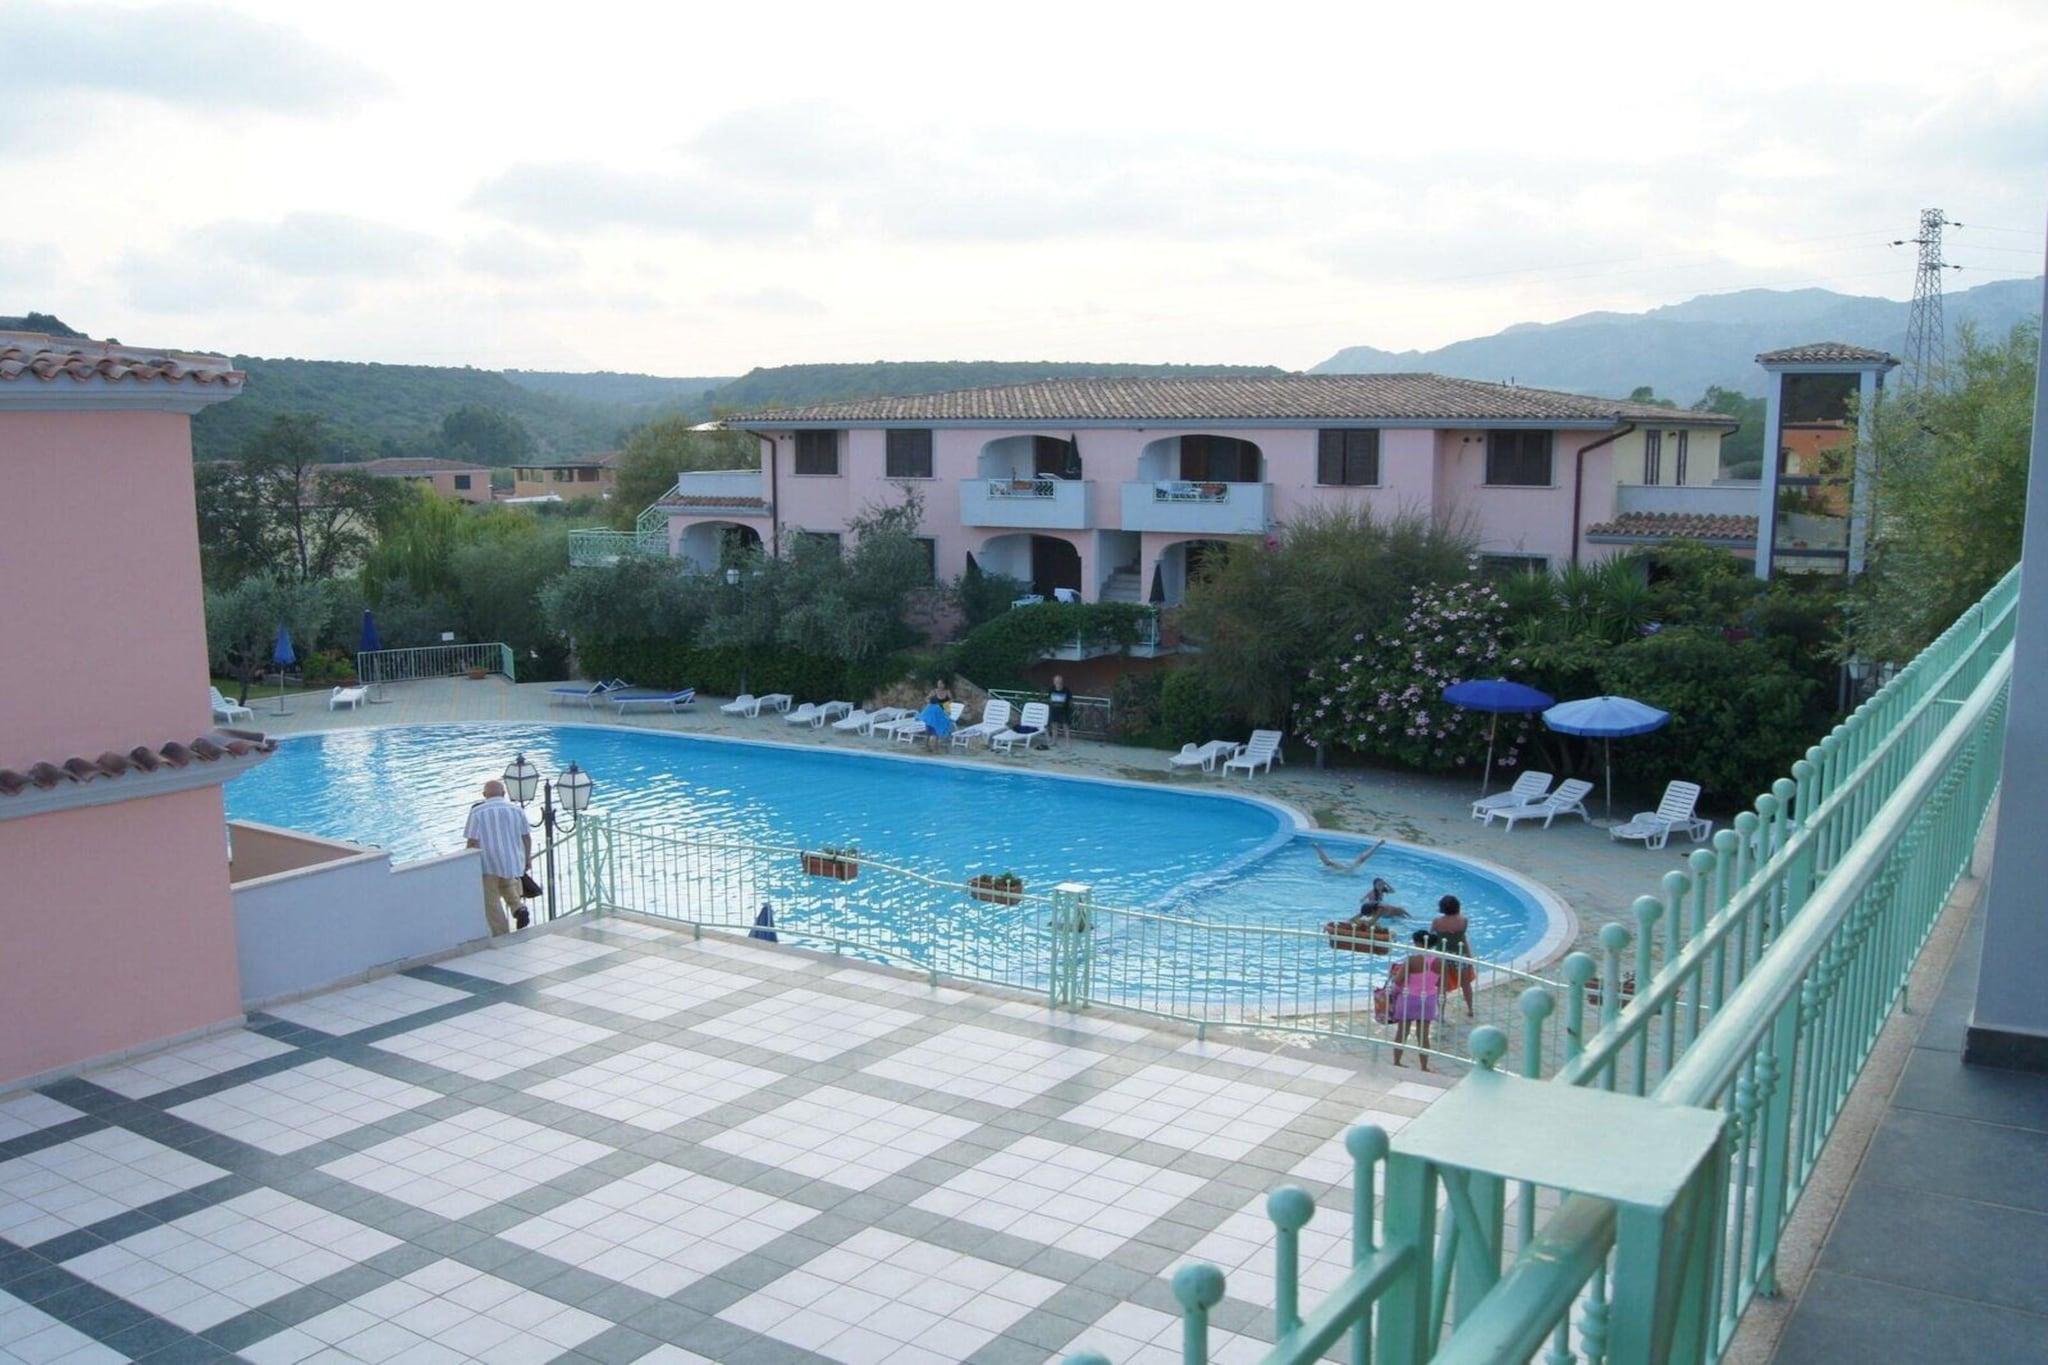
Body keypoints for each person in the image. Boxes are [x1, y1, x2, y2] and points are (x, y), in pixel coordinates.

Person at [464, 779, 531, 935]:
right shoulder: (517, 810)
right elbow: (526, 837)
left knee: (491, 901)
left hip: (487, 863)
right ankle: (518, 908)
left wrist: (469, 863)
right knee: (506, 885)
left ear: (484, 795)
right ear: (504, 793)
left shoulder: (477, 812)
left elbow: (472, 841)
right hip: (512, 861)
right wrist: (527, 859)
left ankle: (502, 934)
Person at [1387, 929, 1443, 1070]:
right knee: (1423, 1036)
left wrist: (1393, 976)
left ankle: (1397, 1062)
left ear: (1418, 943)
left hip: (1409, 999)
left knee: (1402, 1033)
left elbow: (1398, 981)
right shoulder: (1440, 961)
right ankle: (1424, 1066)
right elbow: (1441, 983)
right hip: (1428, 1000)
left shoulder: (1411, 960)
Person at [1431, 894, 1476, 1018]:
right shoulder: (1463, 921)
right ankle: (1470, 1009)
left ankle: (1440, 1013)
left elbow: (1432, 936)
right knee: (1466, 984)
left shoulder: (1437, 922)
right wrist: (1469, 956)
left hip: (1442, 955)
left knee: (1441, 987)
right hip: (1460, 954)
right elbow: (1463, 939)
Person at [916, 679, 956, 752]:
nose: (939, 685)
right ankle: (927, 745)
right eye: (938, 683)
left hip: (941, 713)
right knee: (929, 727)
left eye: (941, 684)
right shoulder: (934, 691)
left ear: (944, 684)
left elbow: (951, 701)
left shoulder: (947, 692)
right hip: (932, 713)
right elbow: (927, 698)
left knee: (938, 727)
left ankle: (935, 746)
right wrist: (930, 703)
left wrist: (945, 706)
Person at [1315, 838, 1386, 873]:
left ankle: (1317, 847)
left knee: (1329, 863)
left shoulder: (1330, 868)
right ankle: (1378, 844)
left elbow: (1326, 862)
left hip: (1343, 871)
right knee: (1361, 859)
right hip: (1348, 870)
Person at [1046, 674, 1073, 746]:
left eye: (1059, 681)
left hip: (1064, 711)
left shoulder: (1066, 690)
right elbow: (1049, 698)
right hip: (1054, 710)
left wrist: (1070, 710)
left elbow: (1070, 700)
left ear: (1062, 681)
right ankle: (1054, 741)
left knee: (1066, 727)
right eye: (1056, 681)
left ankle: (1068, 742)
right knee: (1054, 727)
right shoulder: (1051, 689)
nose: (1057, 682)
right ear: (1054, 682)